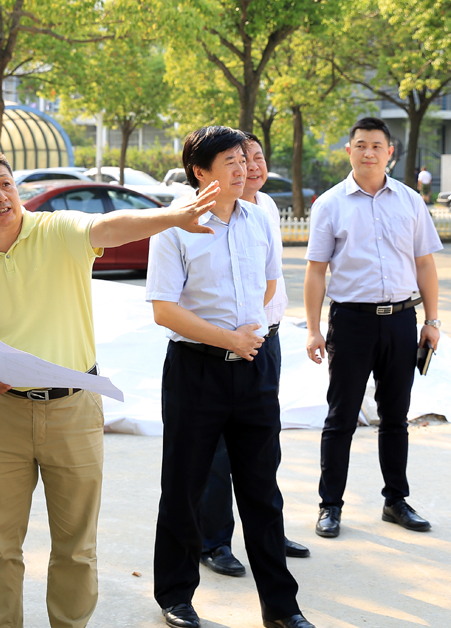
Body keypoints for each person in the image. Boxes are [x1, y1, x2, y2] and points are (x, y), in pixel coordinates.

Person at [0, 148, 218, 628]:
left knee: (75, 546)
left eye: (6, 184)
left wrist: (172, 217)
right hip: (3, 415)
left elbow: (111, 226)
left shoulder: (57, 230)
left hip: (73, 410)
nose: (1, 196)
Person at [147, 126, 313, 628]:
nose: (244, 169)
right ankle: (176, 596)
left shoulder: (259, 218)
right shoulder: (174, 226)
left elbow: (269, 283)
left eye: (245, 159)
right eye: (231, 162)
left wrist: (246, 335)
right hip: (195, 371)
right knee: (185, 487)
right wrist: (228, 338)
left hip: (254, 367)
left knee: (263, 491)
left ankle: (281, 608)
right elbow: (164, 310)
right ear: (200, 172)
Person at [305, 117, 442, 539]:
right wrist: (313, 329)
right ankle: (330, 506)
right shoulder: (330, 204)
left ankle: (395, 501)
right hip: (351, 322)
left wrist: (432, 321)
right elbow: (315, 271)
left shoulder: (410, 201)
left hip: (401, 321)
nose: (369, 152)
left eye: (376, 146)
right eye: (361, 145)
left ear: (390, 152)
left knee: (396, 417)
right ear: (349, 151)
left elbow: (424, 264)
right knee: (341, 416)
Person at [197, 133, 310, 580]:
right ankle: (214, 540)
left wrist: (260, 329)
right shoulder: (207, 217)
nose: (252, 166)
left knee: (264, 445)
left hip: (267, 340)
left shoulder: (266, 209)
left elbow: (270, 280)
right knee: (219, 451)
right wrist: (238, 333)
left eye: (257, 157)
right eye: (240, 159)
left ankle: (267, 533)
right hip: (224, 345)